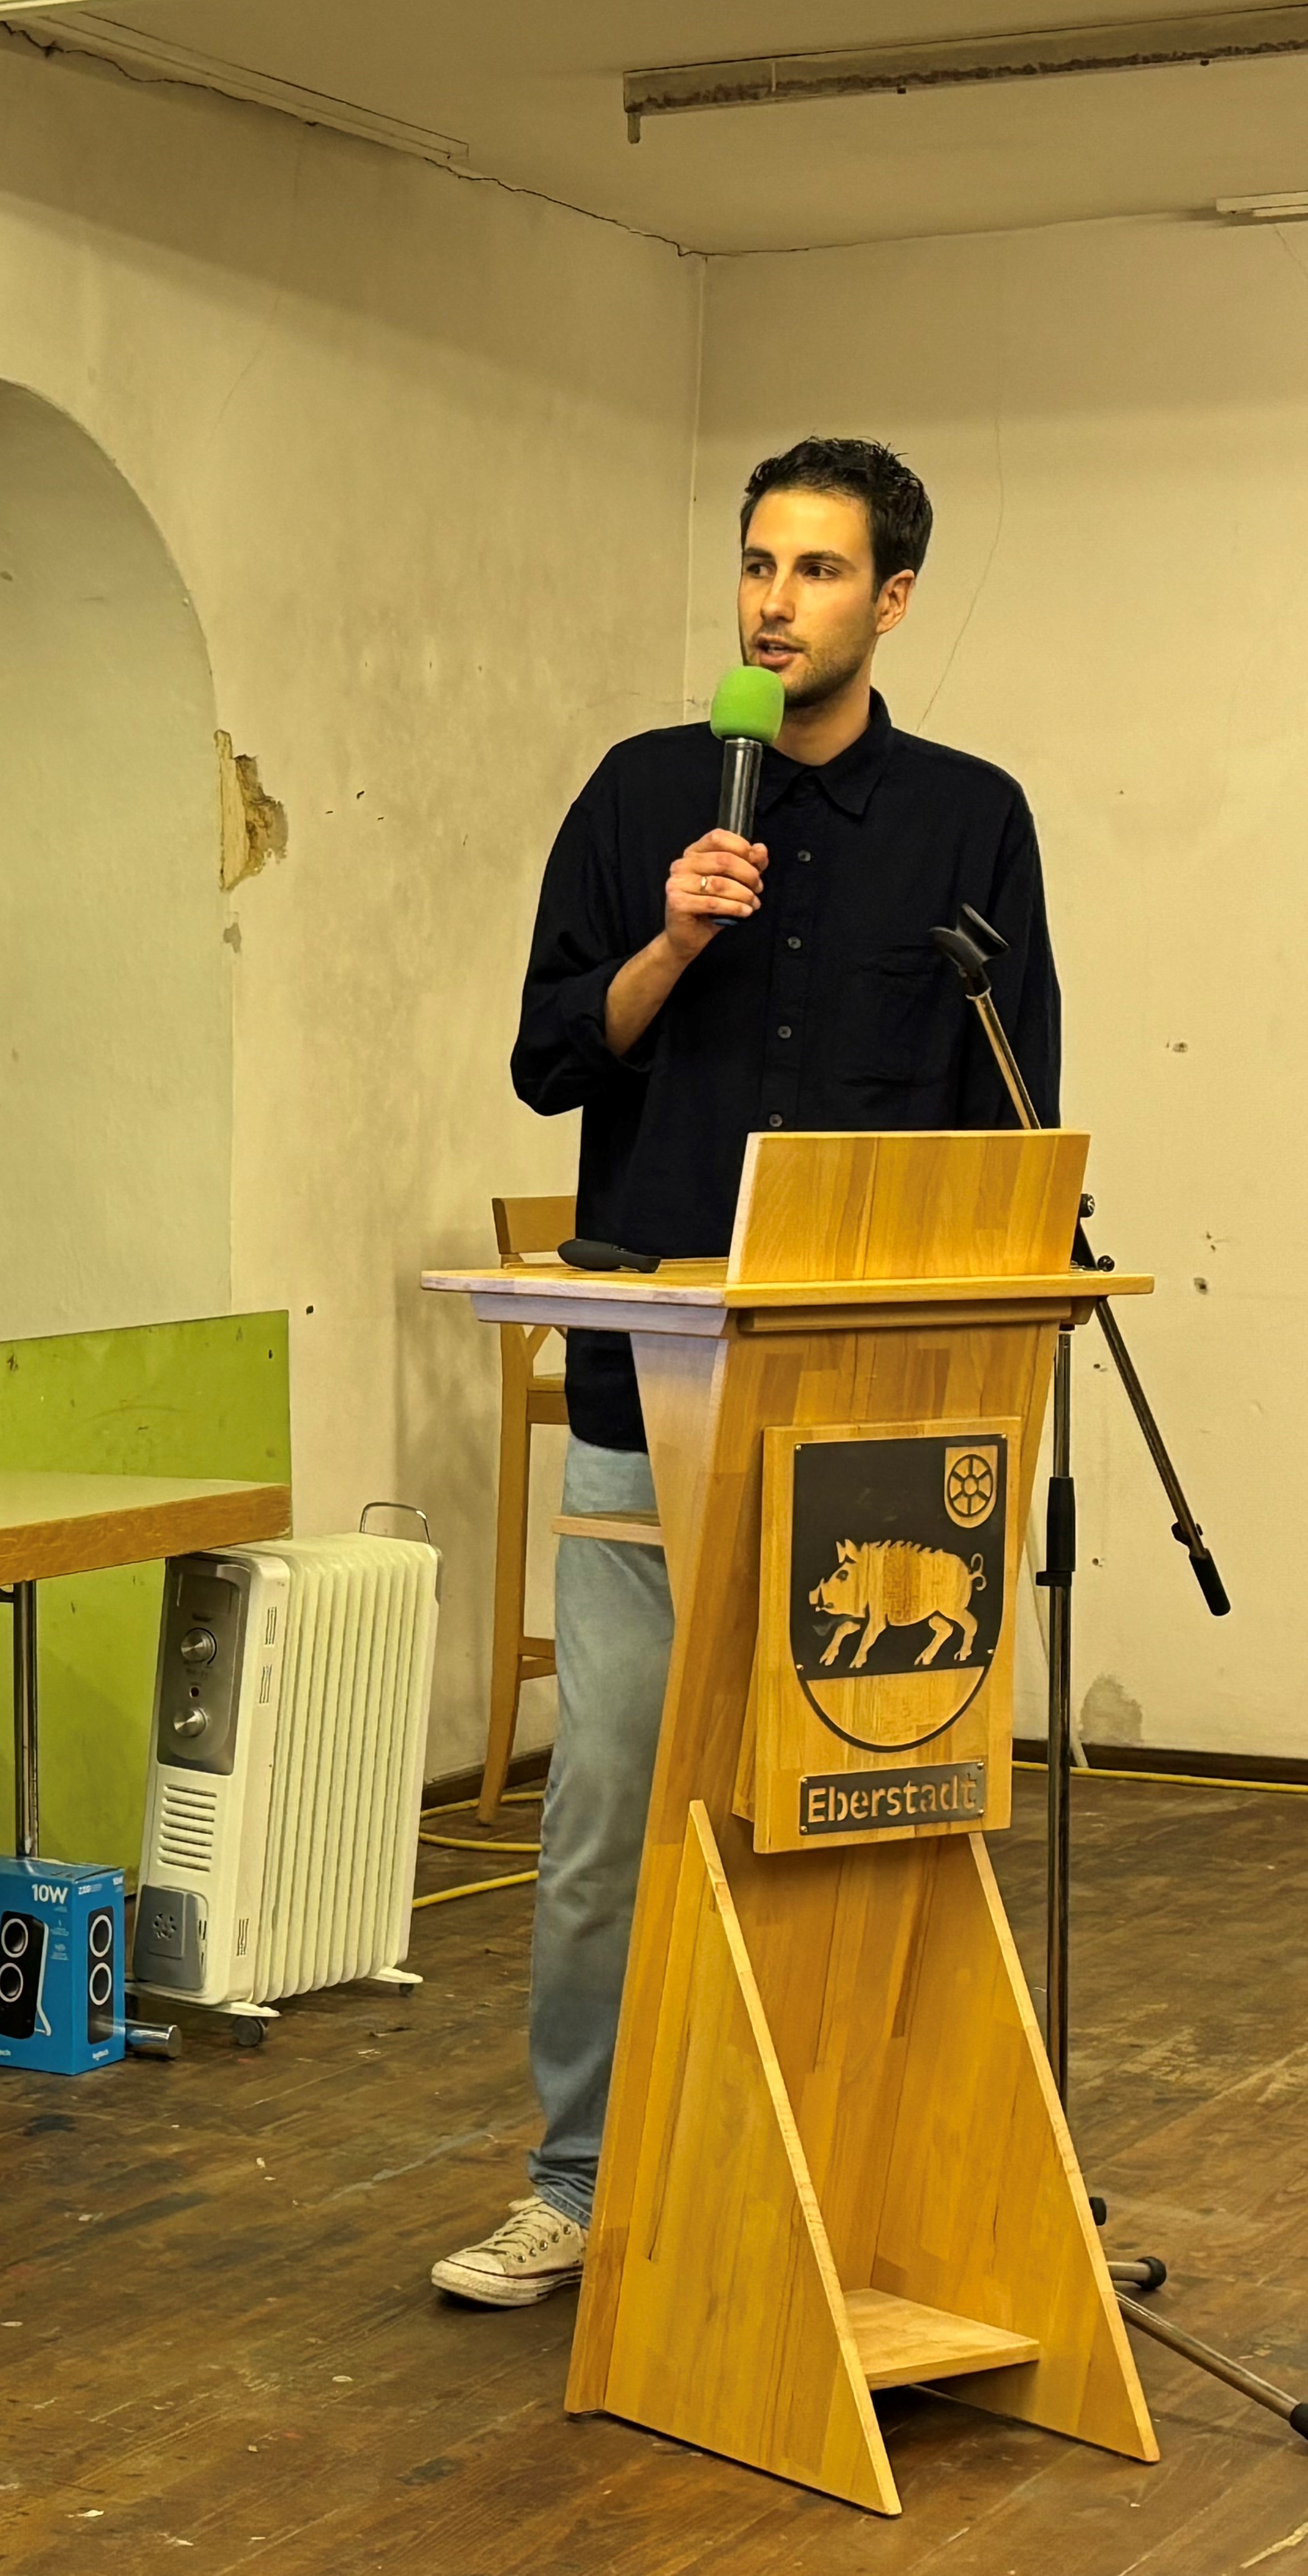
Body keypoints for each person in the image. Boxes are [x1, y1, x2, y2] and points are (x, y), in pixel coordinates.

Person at [433, 438, 1061, 2307]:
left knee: (852, 1813)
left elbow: (999, 1113)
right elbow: (556, 1058)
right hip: (654, 1397)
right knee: (606, 1810)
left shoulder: (968, 822)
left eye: (813, 570)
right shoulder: (642, 798)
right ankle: (573, 2179)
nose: (773, 601)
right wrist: (669, 943)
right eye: (752, 566)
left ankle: (823, 2171)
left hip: (867, 1430)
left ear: (890, 602)